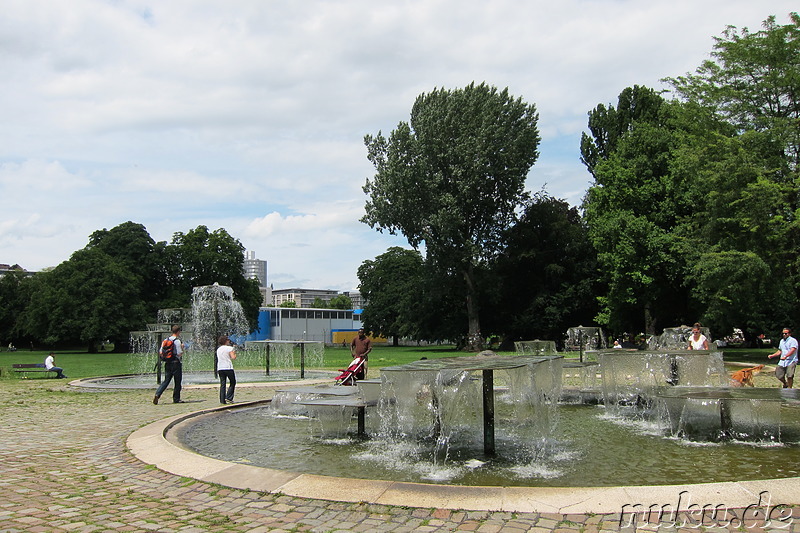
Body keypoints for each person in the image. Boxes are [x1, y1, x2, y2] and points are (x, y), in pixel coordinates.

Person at [153, 325, 185, 404]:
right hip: (176, 363)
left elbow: (161, 352)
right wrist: (182, 348)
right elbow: (179, 353)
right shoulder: (177, 341)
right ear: (178, 332)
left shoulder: (165, 340)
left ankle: (158, 394)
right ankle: (176, 398)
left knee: (166, 381)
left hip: (167, 363)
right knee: (177, 382)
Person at [216, 335, 237, 405]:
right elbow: (233, 357)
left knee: (223, 384)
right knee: (233, 381)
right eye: (228, 340)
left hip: (220, 367)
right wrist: (234, 353)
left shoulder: (218, 349)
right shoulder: (229, 348)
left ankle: (222, 399)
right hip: (228, 367)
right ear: (226, 341)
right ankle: (229, 397)